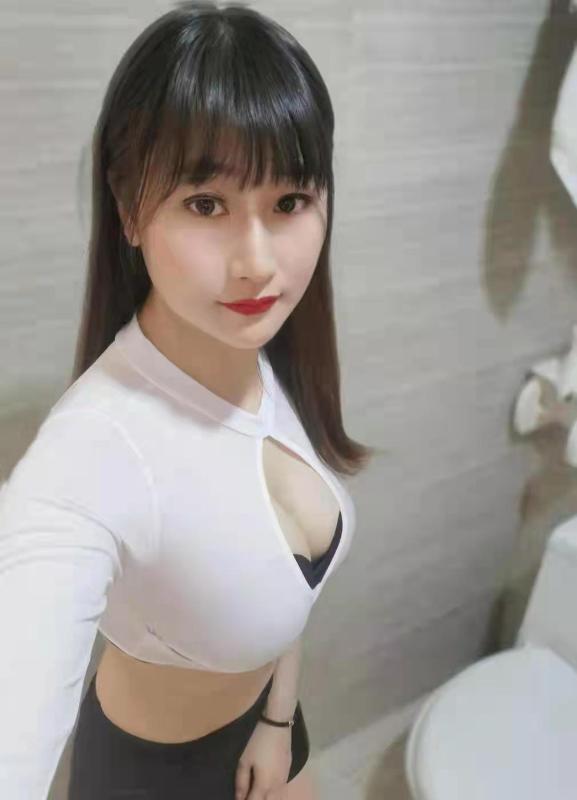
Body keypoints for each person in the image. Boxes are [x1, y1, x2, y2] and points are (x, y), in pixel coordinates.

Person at [0, 2, 379, 798]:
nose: (257, 263)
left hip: (267, 727)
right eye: (206, 204)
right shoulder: (91, 453)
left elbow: (288, 586)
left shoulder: (265, 352)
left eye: (289, 202)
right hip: (149, 776)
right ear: (129, 208)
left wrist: (277, 718)